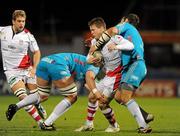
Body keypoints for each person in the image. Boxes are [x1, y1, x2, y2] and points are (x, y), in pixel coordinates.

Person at [76, 17, 153, 133]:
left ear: (102, 29)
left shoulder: (116, 37)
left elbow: (129, 45)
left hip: (122, 72)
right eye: (90, 30)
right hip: (108, 74)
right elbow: (88, 57)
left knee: (107, 102)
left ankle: (127, 126)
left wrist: (116, 47)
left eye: (93, 30)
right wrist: (90, 60)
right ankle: (89, 124)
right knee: (93, 97)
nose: (91, 32)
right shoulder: (94, 41)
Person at [6, 53, 104, 131]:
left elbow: (87, 83)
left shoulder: (85, 59)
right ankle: (47, 124)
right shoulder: (95, 67)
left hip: (44, 62)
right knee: (72, 97)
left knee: (42, 95)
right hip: (59, 65)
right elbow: (90, 80)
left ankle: (16, 106)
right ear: (99, 62)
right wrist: (97, 92)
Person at [0, 10, 47, 126]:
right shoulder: (2, 31)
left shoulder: (28, 36)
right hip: (11, 71)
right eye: (19, 21)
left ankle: (38, 104)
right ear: (13, 21)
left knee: (39, 96)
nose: (22, 24)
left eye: (23, 21)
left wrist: (35, 68)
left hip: (27, 70)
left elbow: (36, 52)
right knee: (23, 96)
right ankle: (40, 122)